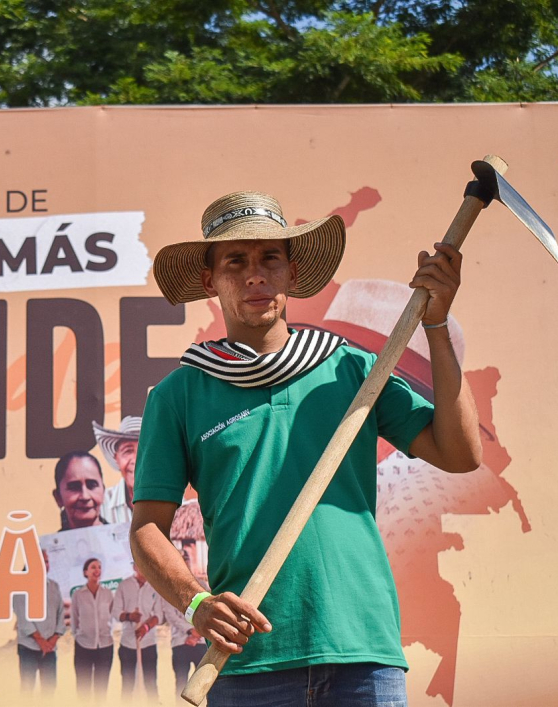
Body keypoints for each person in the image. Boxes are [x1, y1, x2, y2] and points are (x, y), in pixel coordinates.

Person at [130, 191, 482, 707]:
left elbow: (460, 453)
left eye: (270, 257)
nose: (255, 275)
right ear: (211, 282)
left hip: (362, 653)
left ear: (292, 273)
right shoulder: (177, 396)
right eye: (235, 261)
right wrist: (197, 603)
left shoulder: (352, 370)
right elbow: (147, 530)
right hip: (247, 660)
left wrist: (436, 325)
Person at [11, 550, 65, 696]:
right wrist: (41, 641)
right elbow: (23, 619)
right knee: (27, 690)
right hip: (29, 648)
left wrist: (53, 639)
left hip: (50, 648)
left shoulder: (54, 586)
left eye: (47, 561)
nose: (45, 565)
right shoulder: (20, 588)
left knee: (49, 690)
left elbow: (61, 614)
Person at [111, 563, 164, 701]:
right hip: (127, 643)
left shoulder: (155, 586)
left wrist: (145, 627)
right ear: (134, 567)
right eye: (140, 565)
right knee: (127, 685)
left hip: (148, 643)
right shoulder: (124, 585)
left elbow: (158, 615)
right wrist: (129, 616)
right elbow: (116, 611)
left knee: (151, 683)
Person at [162, 551, 209, 702]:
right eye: (180, 560)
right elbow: (170, 615)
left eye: (186, 560)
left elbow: (209, 612)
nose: (183, 563)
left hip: (201, 642)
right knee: (181, 684)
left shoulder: (202, 585)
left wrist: (196, 634)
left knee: (204, 684)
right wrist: (191, 631)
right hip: (179, 642)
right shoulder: (167, 587)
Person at [71, 557, 115, 701]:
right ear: (86, 572)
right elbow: (74, 620)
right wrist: (78, 635)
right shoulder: (78, 595)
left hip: (105, 645)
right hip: (83, 646)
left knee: (101, 690)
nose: (97, 570)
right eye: (93, 567)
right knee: (83, 689)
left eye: (99, 567)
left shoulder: (108, 593)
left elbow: (112, 615)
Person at [92, 416, 142, 523]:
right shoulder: (99, 504)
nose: (137, 460)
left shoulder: (174, 504)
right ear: (116, 458)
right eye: (128, 451)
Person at [53, 451, 106, 531]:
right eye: (74, 487)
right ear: (58, 497)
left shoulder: (126, 540)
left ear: (103, 491)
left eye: (92, 485)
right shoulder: (49, 543)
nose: (85, 496)